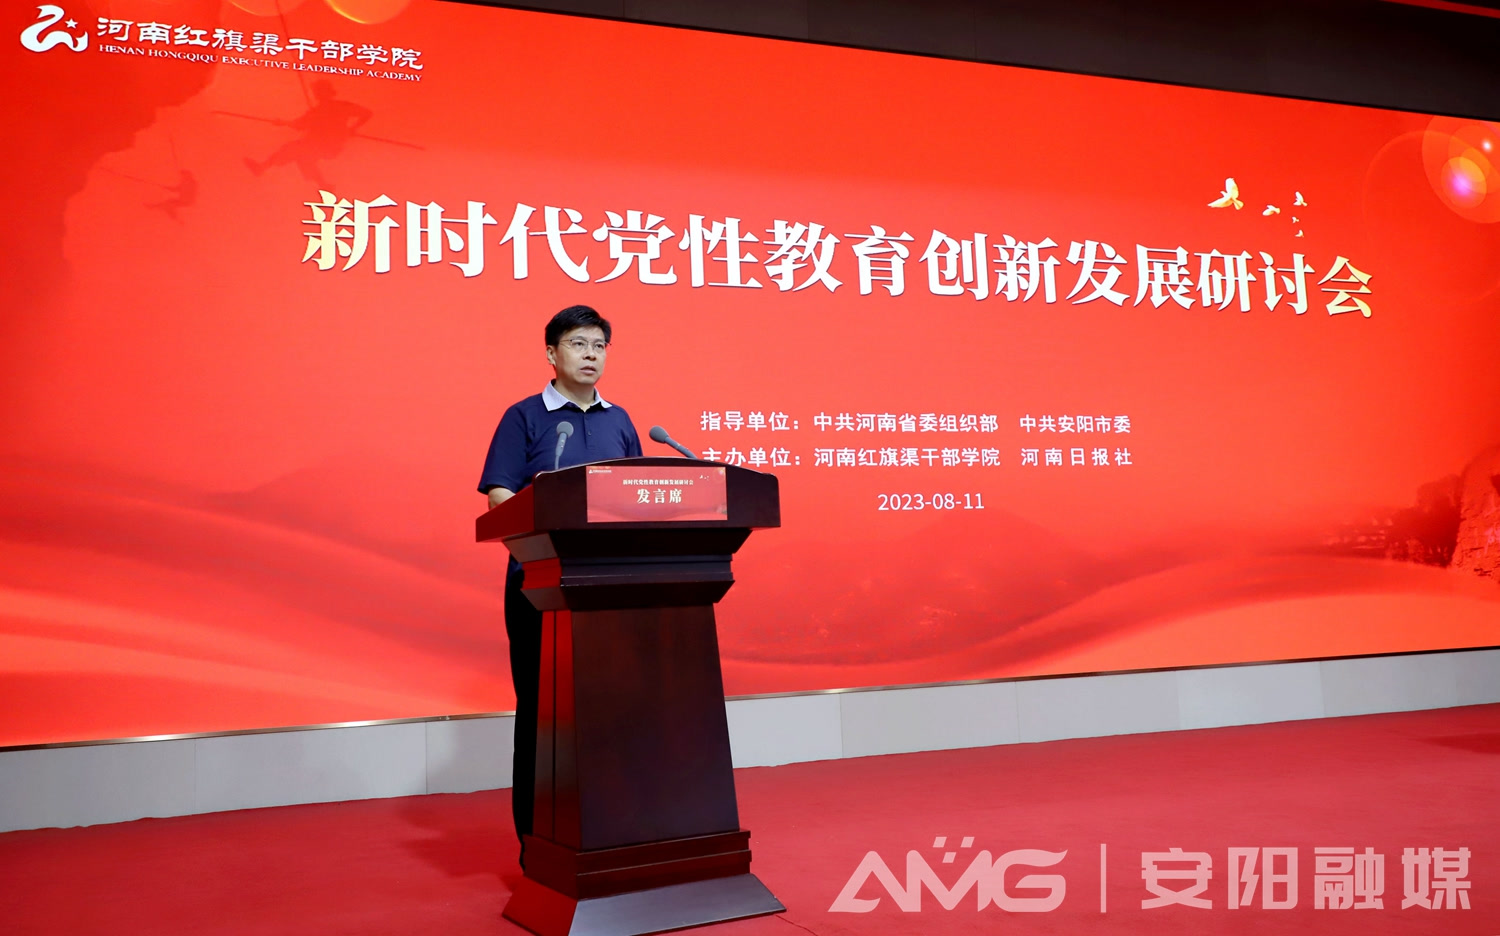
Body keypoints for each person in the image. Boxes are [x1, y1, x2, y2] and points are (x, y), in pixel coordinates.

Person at [477, 304, 642, 866]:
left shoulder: (620, 420)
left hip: (611, 590)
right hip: (540, 586)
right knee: (544, 713)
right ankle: (539, 841)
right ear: (551, 353)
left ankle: (613, 830)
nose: (590, 355)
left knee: (613, 710)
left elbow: (637, 496)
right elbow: (500, 496)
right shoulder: (524, 416)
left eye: (599, 345)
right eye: (578, 344)